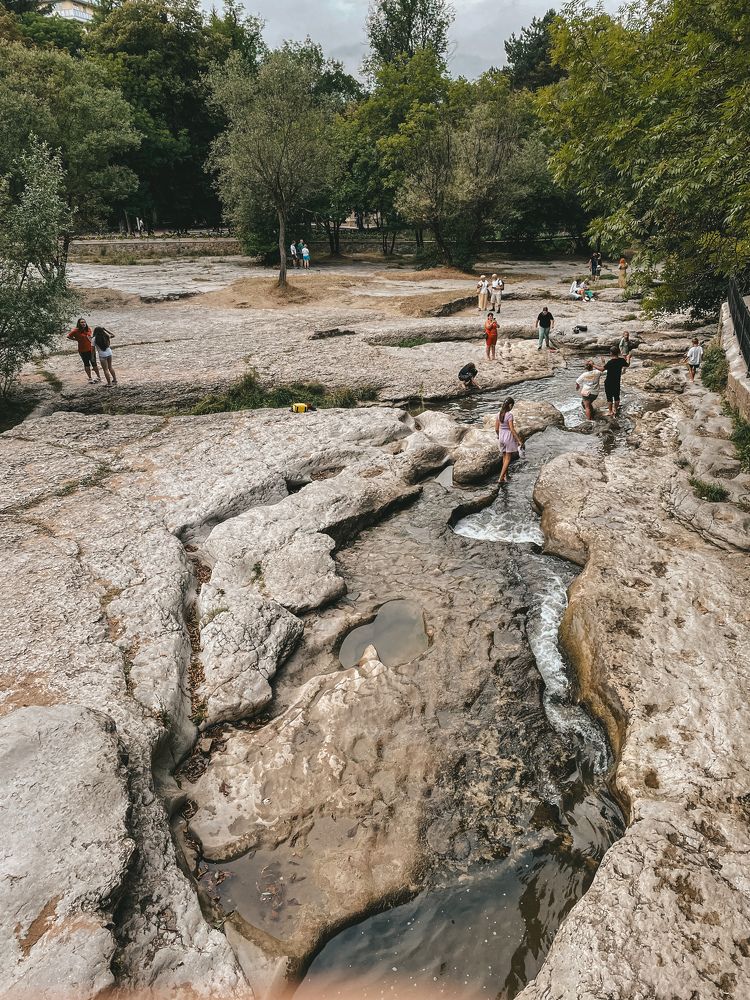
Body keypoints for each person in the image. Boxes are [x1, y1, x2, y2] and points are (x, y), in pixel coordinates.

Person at [495, 397, 524, 483]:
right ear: (510, 405)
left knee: (504, 456)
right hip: (508, 437)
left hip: (501, 436)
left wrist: (499, 436)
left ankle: (505, 476)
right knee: (508, 458)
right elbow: (511, 429)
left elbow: (496, 428)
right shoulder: (509, 415)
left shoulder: (498, 414)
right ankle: (500, 478)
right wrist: (518, 440)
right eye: (512, 405)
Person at [67, 317, 101, 384]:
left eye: (84, 322)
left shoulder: (88, 329)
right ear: (79, 324)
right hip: (82, 350)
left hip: (91, 349)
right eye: (82, 322)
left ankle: (98, 377)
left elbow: (90, 338)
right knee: (86, 364)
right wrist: (76, 339)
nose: (83, 323)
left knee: (94, 363)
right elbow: (68, 336)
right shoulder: (75, 331)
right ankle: (90, 378)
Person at [602, 346, 630, 416]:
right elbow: (628, 364)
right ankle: (615, 410)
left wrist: (593, 365)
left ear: (611, 353)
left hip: (609, 382)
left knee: (609, 398)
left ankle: (610, 411)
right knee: (616, 397)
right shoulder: (621, 360)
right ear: (618, 353)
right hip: (616, 382)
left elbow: (602, 369)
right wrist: (628, 357)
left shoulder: (610, 362)